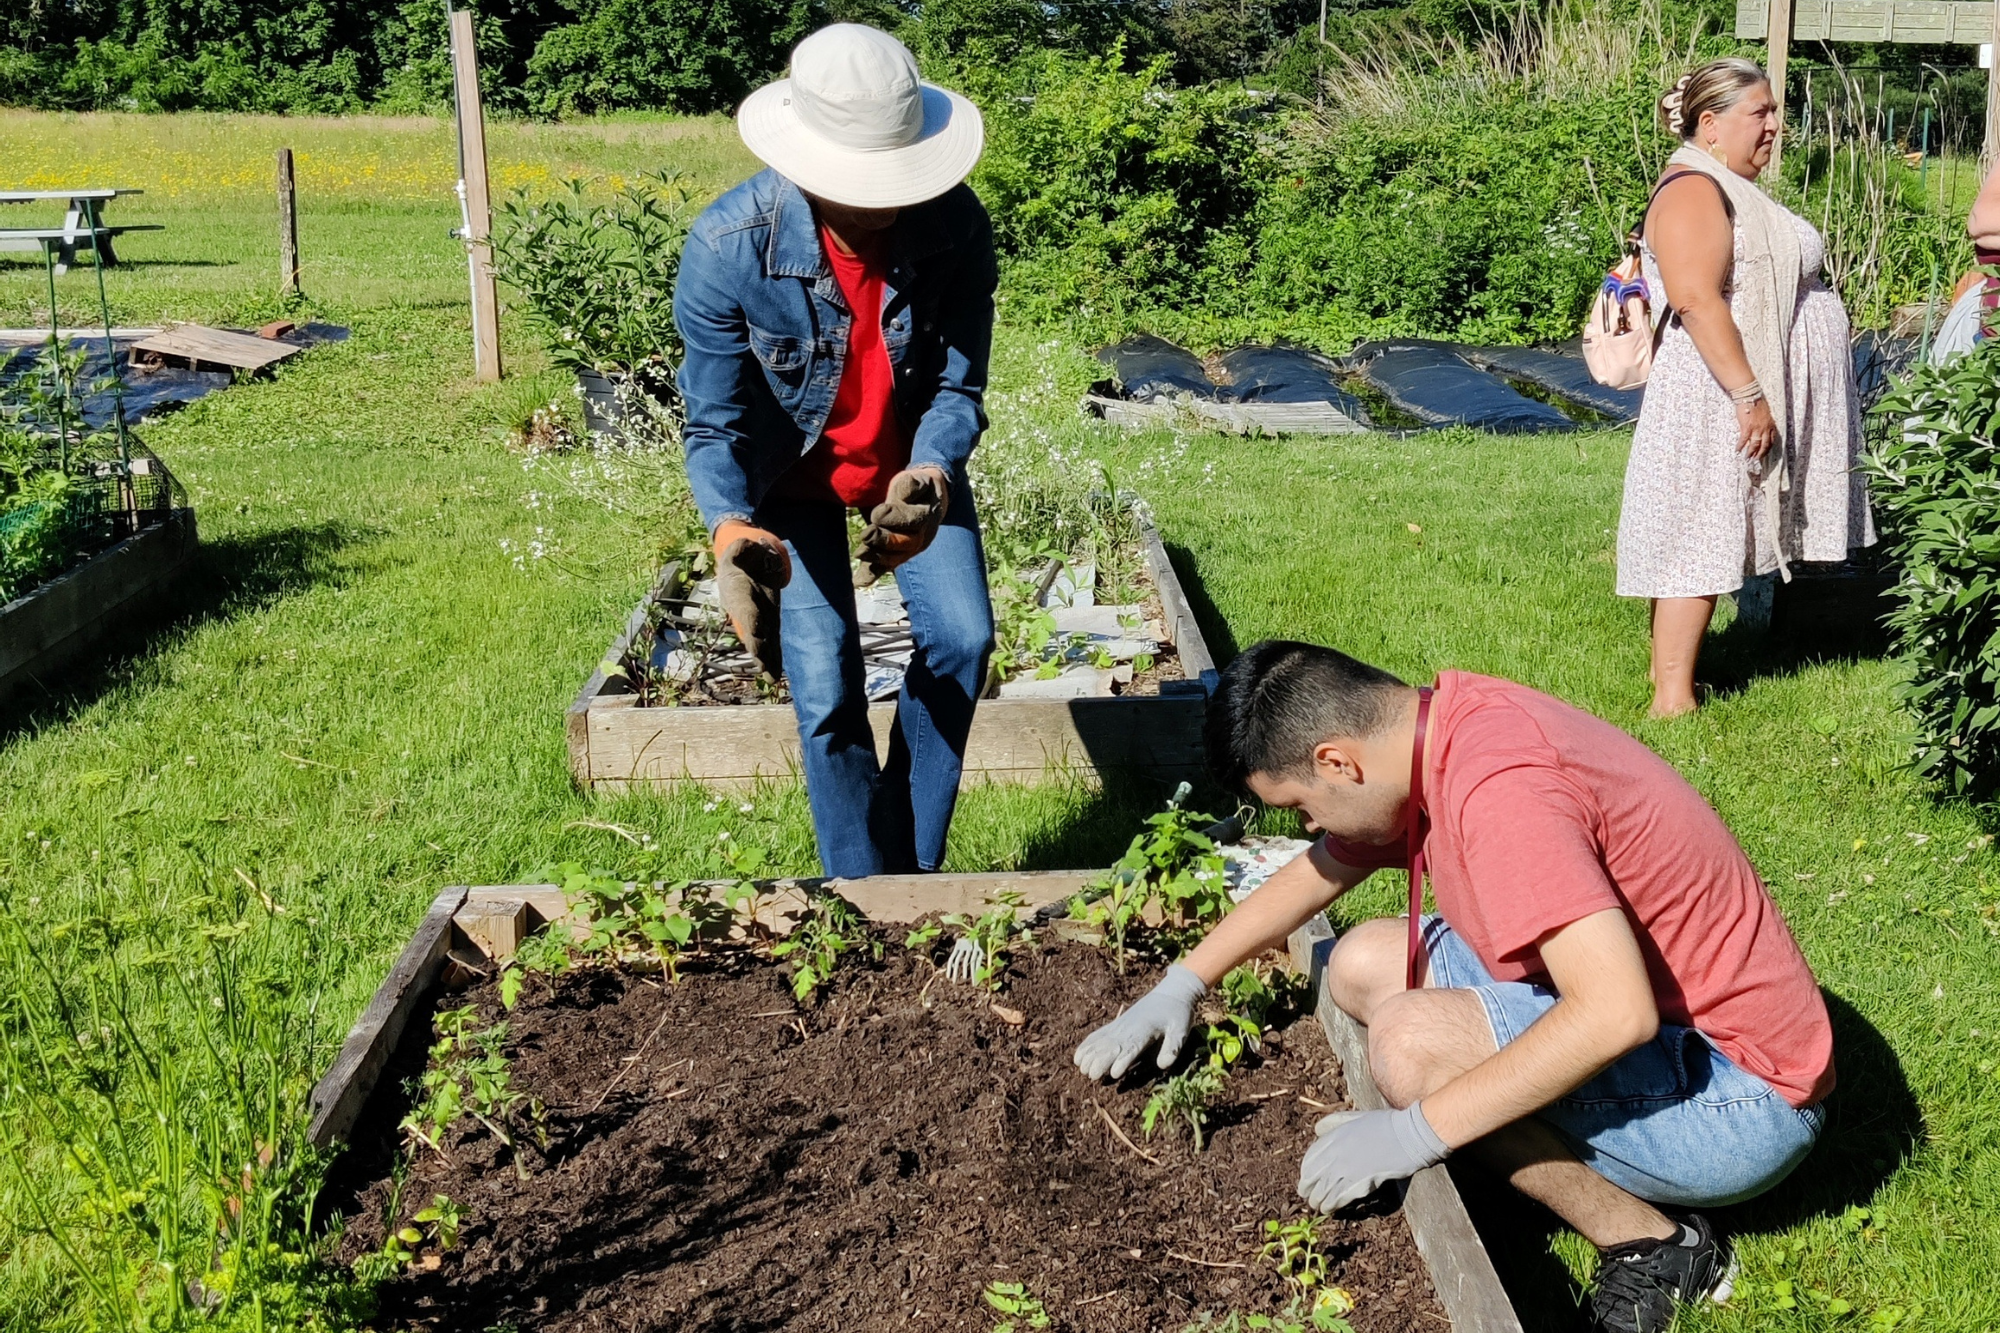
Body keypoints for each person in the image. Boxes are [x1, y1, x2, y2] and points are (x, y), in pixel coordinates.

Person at [1075, 641, 1834, 1333]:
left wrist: (1416, 1130)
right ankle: (1514, 1149)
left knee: (1411, 1048)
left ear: (1339, 761)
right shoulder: (1438, 729)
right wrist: (1180, 981)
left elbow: (1617, 1014)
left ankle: (1658, 1243)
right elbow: (1318, 874)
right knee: (1363, 961)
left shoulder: (1501, 792)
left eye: (1299, 807)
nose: (1307, 828)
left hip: (1744, 1101)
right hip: (1679, 1038)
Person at [674, 23, 998, 877]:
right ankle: (862, 892)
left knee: (963, 639)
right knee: (824, 688)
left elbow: (957, 388)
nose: (883, 201)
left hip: (908, 473)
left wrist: (929, 475)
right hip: (793, 482)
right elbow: (715, 422)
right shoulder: (728, 249)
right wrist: (728, 529)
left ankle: (909, 874)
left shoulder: (957, 229)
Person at [1617, 58, 1873, 717]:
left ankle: (1667, 676)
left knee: (1701, 527)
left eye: (1774, 111)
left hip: (1725, 385)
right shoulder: (1693, 189)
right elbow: (1699, 299)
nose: (1774, 126)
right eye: (1760, 112)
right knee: (1697, 532)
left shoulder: (1721, 183)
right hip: (1712, 391)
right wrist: (1748, 395)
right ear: (1710, 124)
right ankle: (1673, 700)